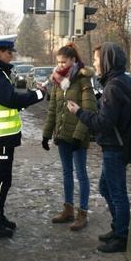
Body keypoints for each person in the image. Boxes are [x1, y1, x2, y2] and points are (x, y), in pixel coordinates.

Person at [66, 42, 131, 253]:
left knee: (117, 192)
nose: (95, 63)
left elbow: (103, 123)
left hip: (115, 146)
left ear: (107, 61)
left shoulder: (114, 86)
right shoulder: (121, 81)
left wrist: (79, 112)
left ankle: (122, 236)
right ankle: (118, 229)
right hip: (117, 144)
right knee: (106, 188)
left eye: (97, 59)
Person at [0, 35, 46, 238]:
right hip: (0, 136)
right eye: (8, 52)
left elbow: (7, 101)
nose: (11, 55)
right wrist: (37, 95)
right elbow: (10, 99)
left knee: (3, 180)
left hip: (2, 136)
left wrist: (23, 101)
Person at [42, 43, 97, 231]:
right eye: (58, 62)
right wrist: (46, 134)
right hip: (62, 135)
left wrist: (77, 137)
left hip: (77, 138)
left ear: (73, 60)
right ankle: (68, 209)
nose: (60, 66)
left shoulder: (83, 80)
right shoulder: (58, 82)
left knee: (81, 174)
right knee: (66, 173)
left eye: (63, 62)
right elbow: (53, 110)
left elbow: (89, 110)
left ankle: (82, 213)